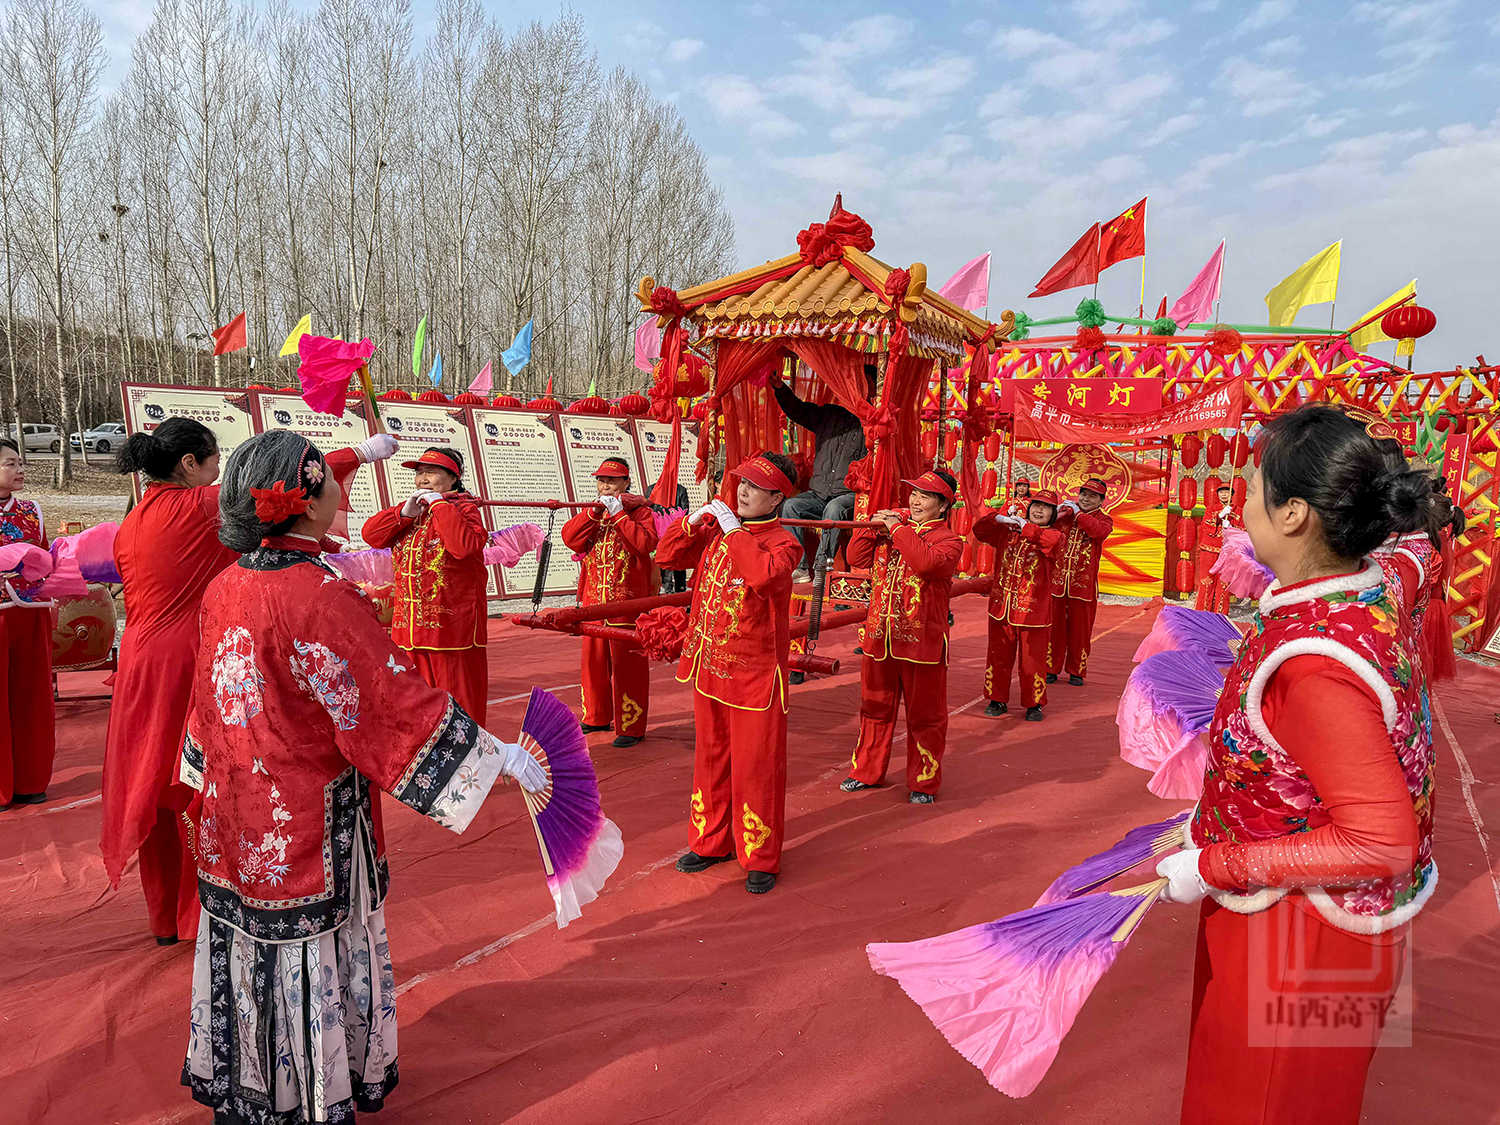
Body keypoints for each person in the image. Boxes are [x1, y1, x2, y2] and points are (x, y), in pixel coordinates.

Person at [178, 429, 547, 1123]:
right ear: (308, 499)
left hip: (237, 813)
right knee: (310, 953)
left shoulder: (225, 584)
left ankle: (249, 1087)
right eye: (332, 477)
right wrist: (492, 754)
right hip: (306, 822)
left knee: (249, 945)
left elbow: (205, 711)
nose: (344, 486)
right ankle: (311, 1098)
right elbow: (386, 704)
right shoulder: (319, 595)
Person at [1152, 405, 1443, 1125]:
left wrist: (1213, 864)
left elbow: (1381, 841)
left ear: (1294, 516)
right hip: (1316, 920)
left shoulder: (1314, 668)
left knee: (1259, 1102)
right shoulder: (1371, 584)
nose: (1239, 500)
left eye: (1252, 486)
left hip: (1299, 933)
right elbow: (1416, 557)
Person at [102, 419, 396, 945]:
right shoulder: (195, 507)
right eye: (214, 461)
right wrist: (360, 452)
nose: (219, 471)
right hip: (188, 660)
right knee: (198, 785)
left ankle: (164, 914)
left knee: (154, 784)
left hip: (140, 665)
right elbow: (278, 484)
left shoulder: (133, 519)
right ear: (190, 464)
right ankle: (201, 914)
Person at [656, 452, 802, 894]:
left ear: (778, 498)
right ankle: (711, 841)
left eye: (756, 487)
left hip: (755, 675)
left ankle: (759, 855)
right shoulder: (718, 534)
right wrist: (693, 522)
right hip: (710, 667)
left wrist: (734, 530)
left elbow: (761, 576)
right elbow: (666, 556)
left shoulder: (783, 543)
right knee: (711, 758)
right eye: (741, 482)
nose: (742, 491)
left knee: (756, 766)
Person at [841, 468, 963, 804]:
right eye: (914, 493)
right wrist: (872, 527)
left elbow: (924, 564)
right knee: (874, 708)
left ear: (943, 506)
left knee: (926, 715)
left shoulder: (949, 541)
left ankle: (923, 781)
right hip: (881, 637)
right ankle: (866, 771)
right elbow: (856, 558)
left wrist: (896, 528)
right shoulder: (894, 531)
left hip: (922, 642)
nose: (916, 500)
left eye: (926, 496)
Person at [362, 447, 490, 726]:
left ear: (454, 478)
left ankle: (469, 763)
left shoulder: (464, 509)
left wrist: (440, 505)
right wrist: (403, 513)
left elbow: (463, 546)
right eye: (419, 472)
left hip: (451, 631)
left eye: (431, 472)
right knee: (415, 707)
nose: (423, 478)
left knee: (458, 707)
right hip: (409, 630)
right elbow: (371, 535)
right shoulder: (412, 513)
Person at [561, 457, 659, 747]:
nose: (605, 485)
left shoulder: (641, 512)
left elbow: (644, 545)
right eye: (602, 480)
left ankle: (631, 727)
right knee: (593, 663)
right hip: (594, 600)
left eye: (612, 480)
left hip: (626, 603)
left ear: (626, 482)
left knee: (629, 666)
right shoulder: (595, 511)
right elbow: (571, 539)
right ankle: (596, 716)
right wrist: (593, 512)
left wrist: (620, 516)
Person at [973, 489, 1063, 721]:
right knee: (998, 656)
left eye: (1046, 507)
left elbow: (1045, 541)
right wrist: (997, 518)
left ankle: (1034, 704)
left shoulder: (1055, 536)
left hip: (1034, 611)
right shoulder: (1009, 532)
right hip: (1002, 606)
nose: (1039, 510)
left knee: (1032, 660)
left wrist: (1023, 526)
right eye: (1036, 505)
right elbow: (980, 532)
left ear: (1053, 514)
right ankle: (997, 699)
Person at [772, 367, 871, 577]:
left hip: (849, 496)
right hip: (819, 494)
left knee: (834, 510)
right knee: (791, 506)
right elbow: (797, 410)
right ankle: (799, 567)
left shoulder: (871, 422)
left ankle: (820, 567)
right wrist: (780, 388)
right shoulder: (828, 414)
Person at [0, 437, 53, 809]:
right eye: (9, 463)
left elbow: (47, 557)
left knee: (32, 698)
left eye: (20, 463)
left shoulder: (31, 510)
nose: (19, 470)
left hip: (30, 613)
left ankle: (31, 779)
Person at [1047, 476, 1114, 687]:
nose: (1085, 499)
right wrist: (1056, 511)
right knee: (1053, 627)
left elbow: (1098, 532)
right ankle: (1050, 667)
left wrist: (1077, 514)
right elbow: (1046, 525)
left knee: (1080, 629)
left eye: (1092, 496)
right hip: (1057, 582)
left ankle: (1077, 670)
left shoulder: (1104, 520)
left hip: (1083, 585)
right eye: (1083, 494)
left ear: (1101, 500)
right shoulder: (1066, 514)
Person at [1194, 482, 1236, 613]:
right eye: (1221, 492)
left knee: (1224, 583)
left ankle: (1221, 614)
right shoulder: (1211, 509)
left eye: (1227, 492)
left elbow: (1243, 530)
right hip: (1210, 550)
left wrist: (1231, 527)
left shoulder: (1238, 511)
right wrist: (1219, 516)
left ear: (1232, 494)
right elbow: (1206, 527)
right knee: (1207, 581)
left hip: (1227, 552)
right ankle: (1203, 612)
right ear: (1217, 494)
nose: (1224, 494)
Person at [650, 476, 691, 593]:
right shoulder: (652, 489)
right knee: (662, 559)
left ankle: (680, 589)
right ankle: (665, 588)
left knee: (677, 559)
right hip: (660, 531)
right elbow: (648, 509)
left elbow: (684, 510)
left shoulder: (680, 489)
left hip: (675, 531)